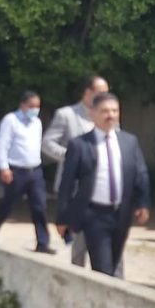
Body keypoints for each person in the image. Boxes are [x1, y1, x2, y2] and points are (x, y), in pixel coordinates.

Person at [55, 92, 150, 277]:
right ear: (92, 113)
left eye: (115, 111)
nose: (111, 115)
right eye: (105, 111)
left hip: (121, 213)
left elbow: (140, 174)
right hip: (94, 215)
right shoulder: (80, 144)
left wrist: (143, 203)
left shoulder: (129, 141)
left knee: (114, 263)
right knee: (103, 269)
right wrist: (62, 217)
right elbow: (67, 183)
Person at [43, 74, 126, 276]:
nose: (105, 96)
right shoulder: (66, 114)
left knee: (111, 242)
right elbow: (47, 143)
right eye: (101, 92)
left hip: (105, 190)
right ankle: (78, 278)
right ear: (88, 92)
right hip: (76, 188)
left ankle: (116, 280)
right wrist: (71, 156)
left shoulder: (110, 115)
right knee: (79, 243)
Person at [0, 91, 54, 254]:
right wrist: (4, 167)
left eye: (37, 106)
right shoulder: (11, 120)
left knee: (39, 206)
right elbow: (2, 144)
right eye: (31, 106)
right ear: (22, 105)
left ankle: (42, 242)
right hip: (16, 170)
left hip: (35, 170)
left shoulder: (37, 122)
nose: (35, 109)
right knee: (7, 205)